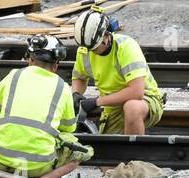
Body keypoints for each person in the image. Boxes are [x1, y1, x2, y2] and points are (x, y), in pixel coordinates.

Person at [0, 35, 92, 178]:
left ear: (30, 59)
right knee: (78, 151)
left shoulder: (14, 75)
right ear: (55, 66)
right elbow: (68, 128)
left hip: (1, 159)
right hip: (40, 164)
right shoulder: (62, 87)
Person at [69, 8, 165, 136]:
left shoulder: (126, 47)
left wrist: (97, 102)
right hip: (112, 105)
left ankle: (133, 154)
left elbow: (137, 92)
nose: (91, 51)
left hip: (146, 99)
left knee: (132, 108)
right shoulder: (85, 49)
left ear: (106, 36)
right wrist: (76, 94)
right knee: (109, 147)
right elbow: (80, 78)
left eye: (95, 47)